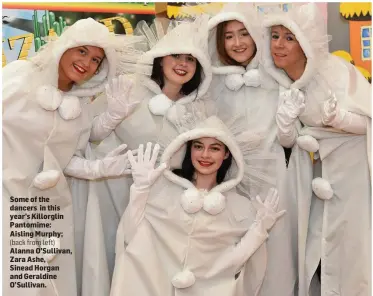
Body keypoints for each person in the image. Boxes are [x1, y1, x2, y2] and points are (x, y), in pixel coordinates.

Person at [75, 16, 214, 296]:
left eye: (190, 58)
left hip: (163, 207)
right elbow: (88, 135)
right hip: (114, 191)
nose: (182, 64)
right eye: (176, 55)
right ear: (160, 59)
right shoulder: (127, 86)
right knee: (111, 259)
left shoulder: (200, 107)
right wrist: (113, 116)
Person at [2, 18, 141, 296]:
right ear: (66, 45)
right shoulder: (18, 75)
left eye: (96, 60)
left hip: (48, 211)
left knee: (43, 286)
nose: (87, 63)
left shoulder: (78, 107)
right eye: (82, 51)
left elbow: (69, 159)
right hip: (5, 199)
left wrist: (100, 168)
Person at [262, 3, 371, 295]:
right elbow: (289, 141)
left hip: (353, 172)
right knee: (317, 247)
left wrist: (339, 119)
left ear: (306, 41)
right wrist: (285, 124)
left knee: (349, 246)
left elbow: (369, 120)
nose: (279, 45)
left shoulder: (335, 72)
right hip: (314, 176)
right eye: (275, 36)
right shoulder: (278, 80)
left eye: (289, 37)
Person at [111, 115, 285, 296]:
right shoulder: (163, 192)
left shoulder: (239, 207)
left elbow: (233, 263)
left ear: (227, 154)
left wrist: (259, 230)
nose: (205, 155)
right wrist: (140, 189)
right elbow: (131, 234)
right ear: (189, 149)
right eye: (198, 146)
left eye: (215, 148)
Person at [207, 4, 303, 295]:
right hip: (230, 181)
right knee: (234, 250)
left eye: (244, 33)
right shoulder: (213, 84)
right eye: (229, 36)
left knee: (278, 248)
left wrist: (286, 124)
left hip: (275, 178)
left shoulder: (277, 78)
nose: (237, 43)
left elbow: (290, 140)